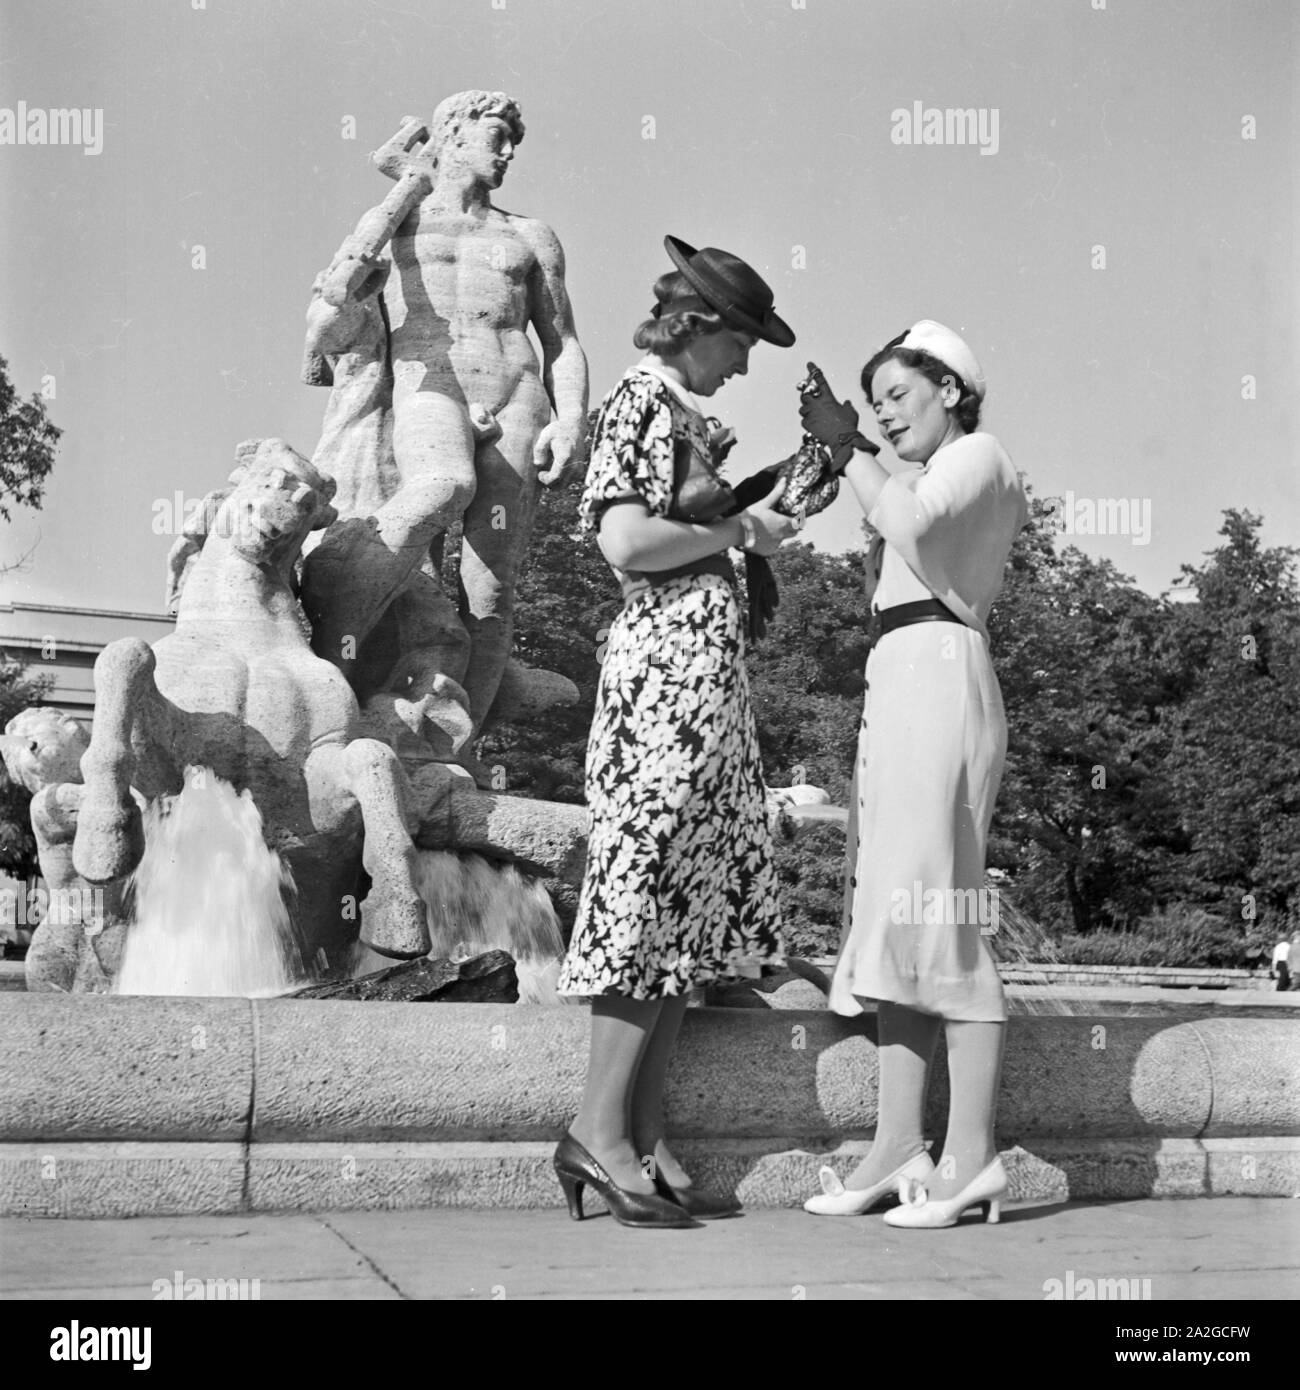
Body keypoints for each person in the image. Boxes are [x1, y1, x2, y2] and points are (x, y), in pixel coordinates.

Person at [554, 237, 801, 1228]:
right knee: (644, 883)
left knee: (680, 908)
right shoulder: (639, 402)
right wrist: (738, 530)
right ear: (698, 329)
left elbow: (689, 533)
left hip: (700, 678)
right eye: (740, 342)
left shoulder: (679, 413)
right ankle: (598, 1131)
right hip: (661, 674)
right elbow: (622, 538)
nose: (745, 363)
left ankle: (642, 1130)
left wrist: (757, 515)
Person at [797, 322, 1028, 1229]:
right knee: (895, 914)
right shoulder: (921, 472)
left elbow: (906, 519)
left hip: (940, 675)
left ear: (951, 390)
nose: (884, 415)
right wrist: (841, 453)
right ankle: (900, 1145)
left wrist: (846, 445)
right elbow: (894, 513)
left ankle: (972, 1157)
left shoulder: (981, 454)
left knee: (943, 912)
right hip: (900, 677)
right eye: (875, 402)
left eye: (897, 395)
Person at [301, 90, 589, 747]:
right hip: (427, 381)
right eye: (497, 137)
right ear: (453, 138)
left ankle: (455, 754)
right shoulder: (401, 221)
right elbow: (341, 285)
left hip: (519, 395)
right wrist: (408, 181)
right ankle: (336, 607)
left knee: (491, 589)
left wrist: (570, 420)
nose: (509, 153)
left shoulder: (530, 235)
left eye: (514, 142)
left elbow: (563, 340)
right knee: (443, 484)